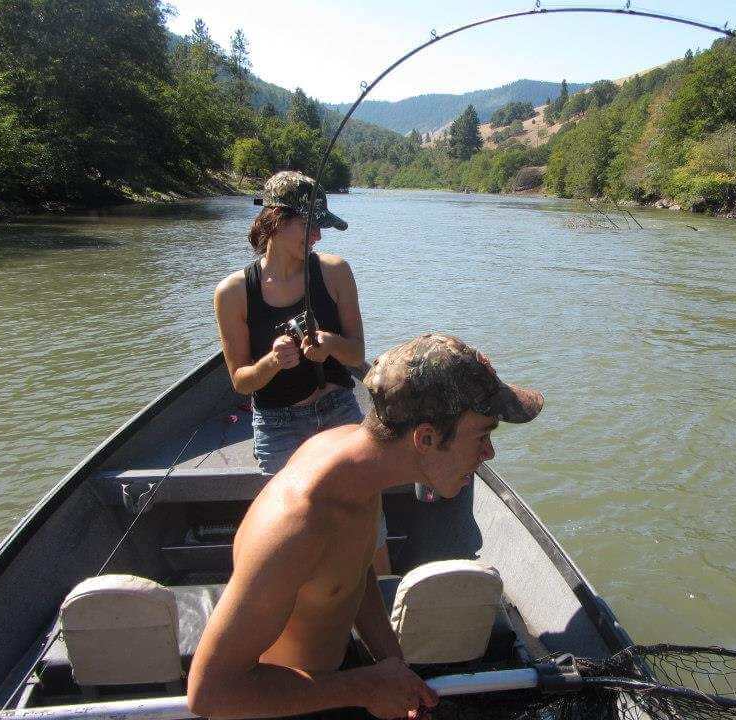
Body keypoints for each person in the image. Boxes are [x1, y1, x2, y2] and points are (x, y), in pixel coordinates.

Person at [187, 333, 544, 720]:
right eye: (483, 435)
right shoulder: (297, 525)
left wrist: (394, 666)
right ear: (424, 438)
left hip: (337, 679)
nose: (488, 453)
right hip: (283, 704)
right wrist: (366, 687)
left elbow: (354, 575)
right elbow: (210, 693)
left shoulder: (361, 470)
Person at [214, 170, 390, 573]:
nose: (318, 237)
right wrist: (273, 361)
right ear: (276, 219)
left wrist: (327, 345)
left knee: (367, 523)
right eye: (311, 225)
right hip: (277, 425)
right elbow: (241, 380)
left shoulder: (336, 272)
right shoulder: (234, 292)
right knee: (287, 536)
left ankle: (384, 599)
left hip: (339, 411)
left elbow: (357, 352)